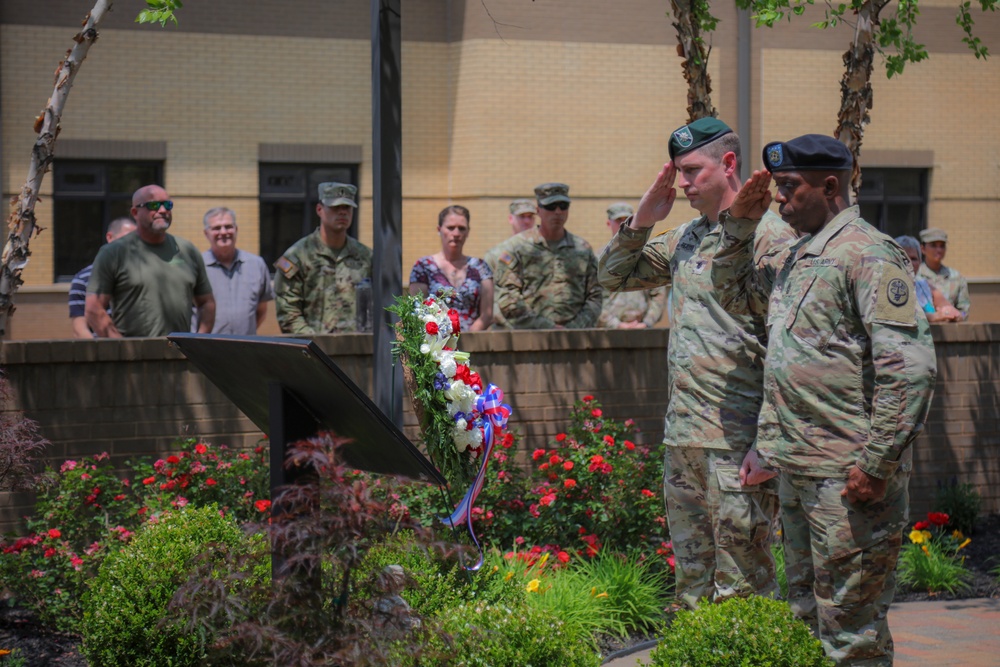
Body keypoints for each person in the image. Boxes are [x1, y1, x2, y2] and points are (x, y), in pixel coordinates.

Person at [714, 134, 936, 666]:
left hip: (849, 481)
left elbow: (910, 370)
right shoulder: (799, 257)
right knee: (807, 623)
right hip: (798, 472)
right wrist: (740, 227)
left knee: (850, 634)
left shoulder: (867, 254)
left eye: (790, 187)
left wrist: (877, 463)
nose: (781, 199)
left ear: (830, 185)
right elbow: (730, 294)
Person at [598, 117, 794, 610]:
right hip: (684, 434)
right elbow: (613, 277)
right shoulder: (686, 237)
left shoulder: (770, 238)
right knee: (692, 584)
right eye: (678, 173)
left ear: (729, 164)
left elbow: (790, 347)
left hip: (738, 438)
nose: (682, 183)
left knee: (742, 585)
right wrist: (643, 220)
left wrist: (769, 441)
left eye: (691, 171)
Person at [86, 185, 215, 337]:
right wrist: (123, 349)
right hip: (134, 356)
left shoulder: (188, 250)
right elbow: (93, 309)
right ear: (135, 212)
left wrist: (198, 341)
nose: (162, 210)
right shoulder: (114, 252)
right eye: (153, 205)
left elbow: (207, 303)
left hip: (179, 355)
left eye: (167, 205)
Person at [493, 183, 601, 329]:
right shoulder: (517, 248)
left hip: (575, 339)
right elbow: (508, 297)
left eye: (563, 206)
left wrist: (573, 328)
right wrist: (545, 327)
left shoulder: (582, 249)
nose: (558, 212)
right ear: (538, 211)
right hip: (531, 339)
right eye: (551, 206)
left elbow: (595, 296)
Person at [273, 182, 372, 334]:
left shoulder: (366, 257)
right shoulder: (298, 256)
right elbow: (288, 312)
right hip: (313, 351)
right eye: (335, 207)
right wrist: (314, 345)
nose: (342, 212)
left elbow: (381, 304)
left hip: (358, 349)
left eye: (347, 207)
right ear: (319, 210)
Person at [408, 205, 493, 331]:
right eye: (450, 228)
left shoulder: (480, 267)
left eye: (462, 228)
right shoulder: (423, 267)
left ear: (468, 232)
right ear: (439, 229)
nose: (456, 233)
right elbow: (417, 311)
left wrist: (466, 340)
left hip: (473, 344)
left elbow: (487, 314)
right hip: (435, 345)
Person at [200, 207, 274, 335]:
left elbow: (261, 311)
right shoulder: (197, 266)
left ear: (236, 229)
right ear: (206, 233)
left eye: (228, 226)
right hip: (206, 350)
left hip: (245, 349)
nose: (223, 232)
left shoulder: (256, 264)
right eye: (216, 228)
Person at [598, 202, 667, 329]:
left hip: (642, 330)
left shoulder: (648, 255)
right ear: (609, 224)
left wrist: (647, 322)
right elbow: (595, 297)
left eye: (628, 220)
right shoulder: (600, 258)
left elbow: (658, 293)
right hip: (609, 332)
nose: (623, 225)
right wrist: (615, 324)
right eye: (618, 220)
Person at [68, 217, 136, 338]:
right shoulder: (83, 279)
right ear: (110, 237)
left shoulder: (142, 276)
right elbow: (79, 329)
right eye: (126, 239)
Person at [484, 198, 538, 329]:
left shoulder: (542, 252)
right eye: (522, 217)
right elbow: (489, 298)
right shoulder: (495, 254)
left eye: (530, 217)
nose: (527, 221)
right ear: (510, 219)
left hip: (540, 326)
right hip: (507, 328)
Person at [895, 235, 963, 323]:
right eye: (904, 258)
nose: (909, 263)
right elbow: (897, 315)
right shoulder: (887, 286)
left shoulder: (925, 287)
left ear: (920, 262)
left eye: (914, 259)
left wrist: (950, 314)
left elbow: (954, 312)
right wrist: (931, 317)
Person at [918, 227, 970, 320]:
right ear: (923, 249)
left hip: (949, 331)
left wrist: (958, 316)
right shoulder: (915, 275)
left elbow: (964, 311)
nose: (939, 250)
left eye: (942, 246)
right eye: (933, 245)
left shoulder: (956, 277)